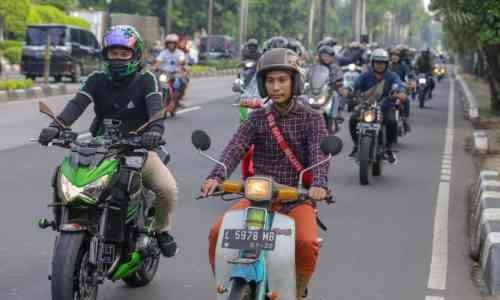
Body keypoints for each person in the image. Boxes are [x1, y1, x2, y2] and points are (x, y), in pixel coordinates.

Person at [37, 25, 178, 258]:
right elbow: (76, 105)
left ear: (135, 54)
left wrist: (155, 131)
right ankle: (63, 218)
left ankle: (161, 230)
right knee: (65, 173)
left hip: (138, 147)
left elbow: (156, 111)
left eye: (125, 54)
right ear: (106, 54)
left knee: (167, 189)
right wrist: (56, 126)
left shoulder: (147, 80)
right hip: (102, 146)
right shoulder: (96, 79)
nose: (119, 59)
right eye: (114, 53)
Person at [201, 48, 330, 300]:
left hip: (296, 197)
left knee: (306, 242)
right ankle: (225, 285)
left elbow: (319, 155)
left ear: (295, 82)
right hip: (258, 196)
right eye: (270, 81)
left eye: (282, 80)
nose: (276, 86)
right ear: (262, 84)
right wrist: (215, 176)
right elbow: (235, 147)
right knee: (217, 233)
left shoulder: (312, 119)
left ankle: (298, 289)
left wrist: (319, 184)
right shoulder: (257, 117)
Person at [348, 48, 407, 164]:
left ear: (386, 64)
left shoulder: (392, 76)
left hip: (385, 107)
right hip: (367, 106)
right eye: (377, 63)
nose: (379, 65)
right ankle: (356, 145)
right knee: (353, 119)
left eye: (382, 63)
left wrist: (400, 94)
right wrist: (348, 91)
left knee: (392, 121)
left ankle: (389, 148)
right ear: (372, 63)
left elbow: (399, 86)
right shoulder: (365, 75)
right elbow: (355, 86)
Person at [153, 33, 188, 106]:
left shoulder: (180, 53)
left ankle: (177, 100)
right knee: (160, 84)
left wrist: (180, 65)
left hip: (175, 73)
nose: (171, 45)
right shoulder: (163, 53)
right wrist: (155, 67)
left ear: (176, 44)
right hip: (165, 73)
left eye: (173, 43)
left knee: (179, 83)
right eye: (169, 43)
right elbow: (158, 62)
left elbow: (182, 61)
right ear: (166, 44)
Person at [389, 47, 411, 132]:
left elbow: (407, 76)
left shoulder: (403, 66)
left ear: (400, 57)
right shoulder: (387, 65)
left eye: (397, 55)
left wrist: (409, 82)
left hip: (401, 86)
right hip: (388, 87)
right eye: (393, 55)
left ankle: (405, 119)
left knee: (406, 100)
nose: (394, 57)